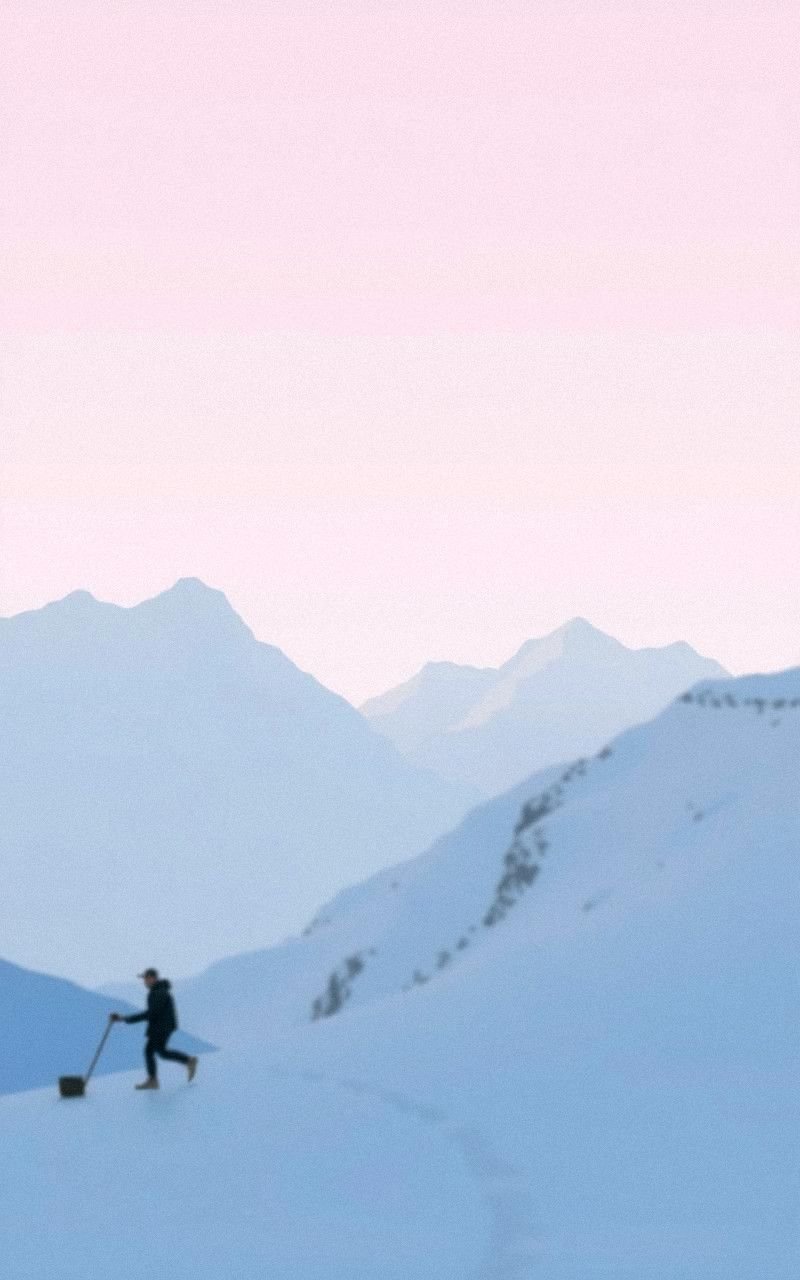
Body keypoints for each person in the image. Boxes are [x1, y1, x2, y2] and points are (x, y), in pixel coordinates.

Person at [112, 968, 198, 1090]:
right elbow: (153, 1014)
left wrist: (125, 1019)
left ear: (152, 978)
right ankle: (188, 1061)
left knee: (150, 1051)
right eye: (144, 979)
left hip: (161, 1027)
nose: (144, 982)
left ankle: (154, 1080)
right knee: (160, 1052)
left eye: (146, 978)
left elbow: (151, 1014)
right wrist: (124, 1019)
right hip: (162, 1026)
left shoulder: (158, 992)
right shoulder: (158, 991)